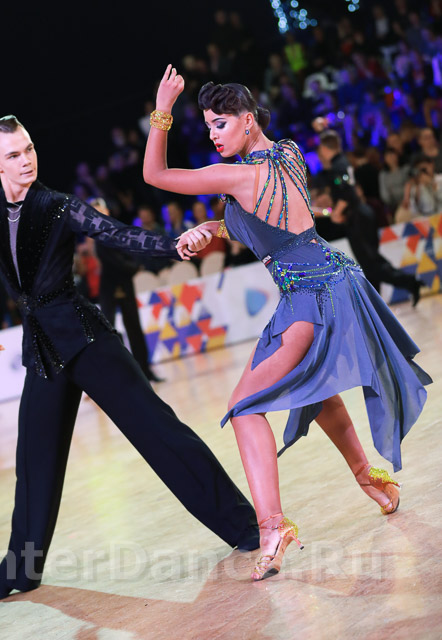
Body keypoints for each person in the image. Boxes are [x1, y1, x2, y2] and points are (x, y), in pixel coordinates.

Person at [143, 65, 432, 582]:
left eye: (220, 124)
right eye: (207, 127)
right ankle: (371, 479)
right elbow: (275, 223)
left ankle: (273, 528)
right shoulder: (289, 153)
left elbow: (156, 176)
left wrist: (162, 110)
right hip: (336, 280)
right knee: (314, 390)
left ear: (247, 120)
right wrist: (212, 227)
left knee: (244, 407)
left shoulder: (235, 176)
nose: (213, 136)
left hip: (307, 298)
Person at [0, 115, 259, 605]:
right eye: (14, 154)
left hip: (86, 339)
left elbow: (117, 234)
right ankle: (21, 570)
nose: (26, 160)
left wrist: (172, 244)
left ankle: (243, 525)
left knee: (159, 432)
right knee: (34, 463)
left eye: (29, 148)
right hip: (43, 350)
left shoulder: (58, 206)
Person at [315, 129, 424, 305]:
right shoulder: (342, 163)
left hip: (357, 218)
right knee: (371, 263)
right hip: (360, 215)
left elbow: (347, 193)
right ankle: (378, 303)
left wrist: (337, 213)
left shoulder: (338, 166)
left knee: (371, 264)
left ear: (324, 148)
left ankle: (409, 282)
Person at [89, 196, 164, 382]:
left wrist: (134, 266)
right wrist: (134, 268)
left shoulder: (118, 230)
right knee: (109, 329)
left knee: (134, 328)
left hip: (125, 283)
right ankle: (115, 373)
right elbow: (111, 260)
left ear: (107, 211)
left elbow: (132, 250)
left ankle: (145, 371)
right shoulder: (97, 236)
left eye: (100, 210)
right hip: (110, 285)